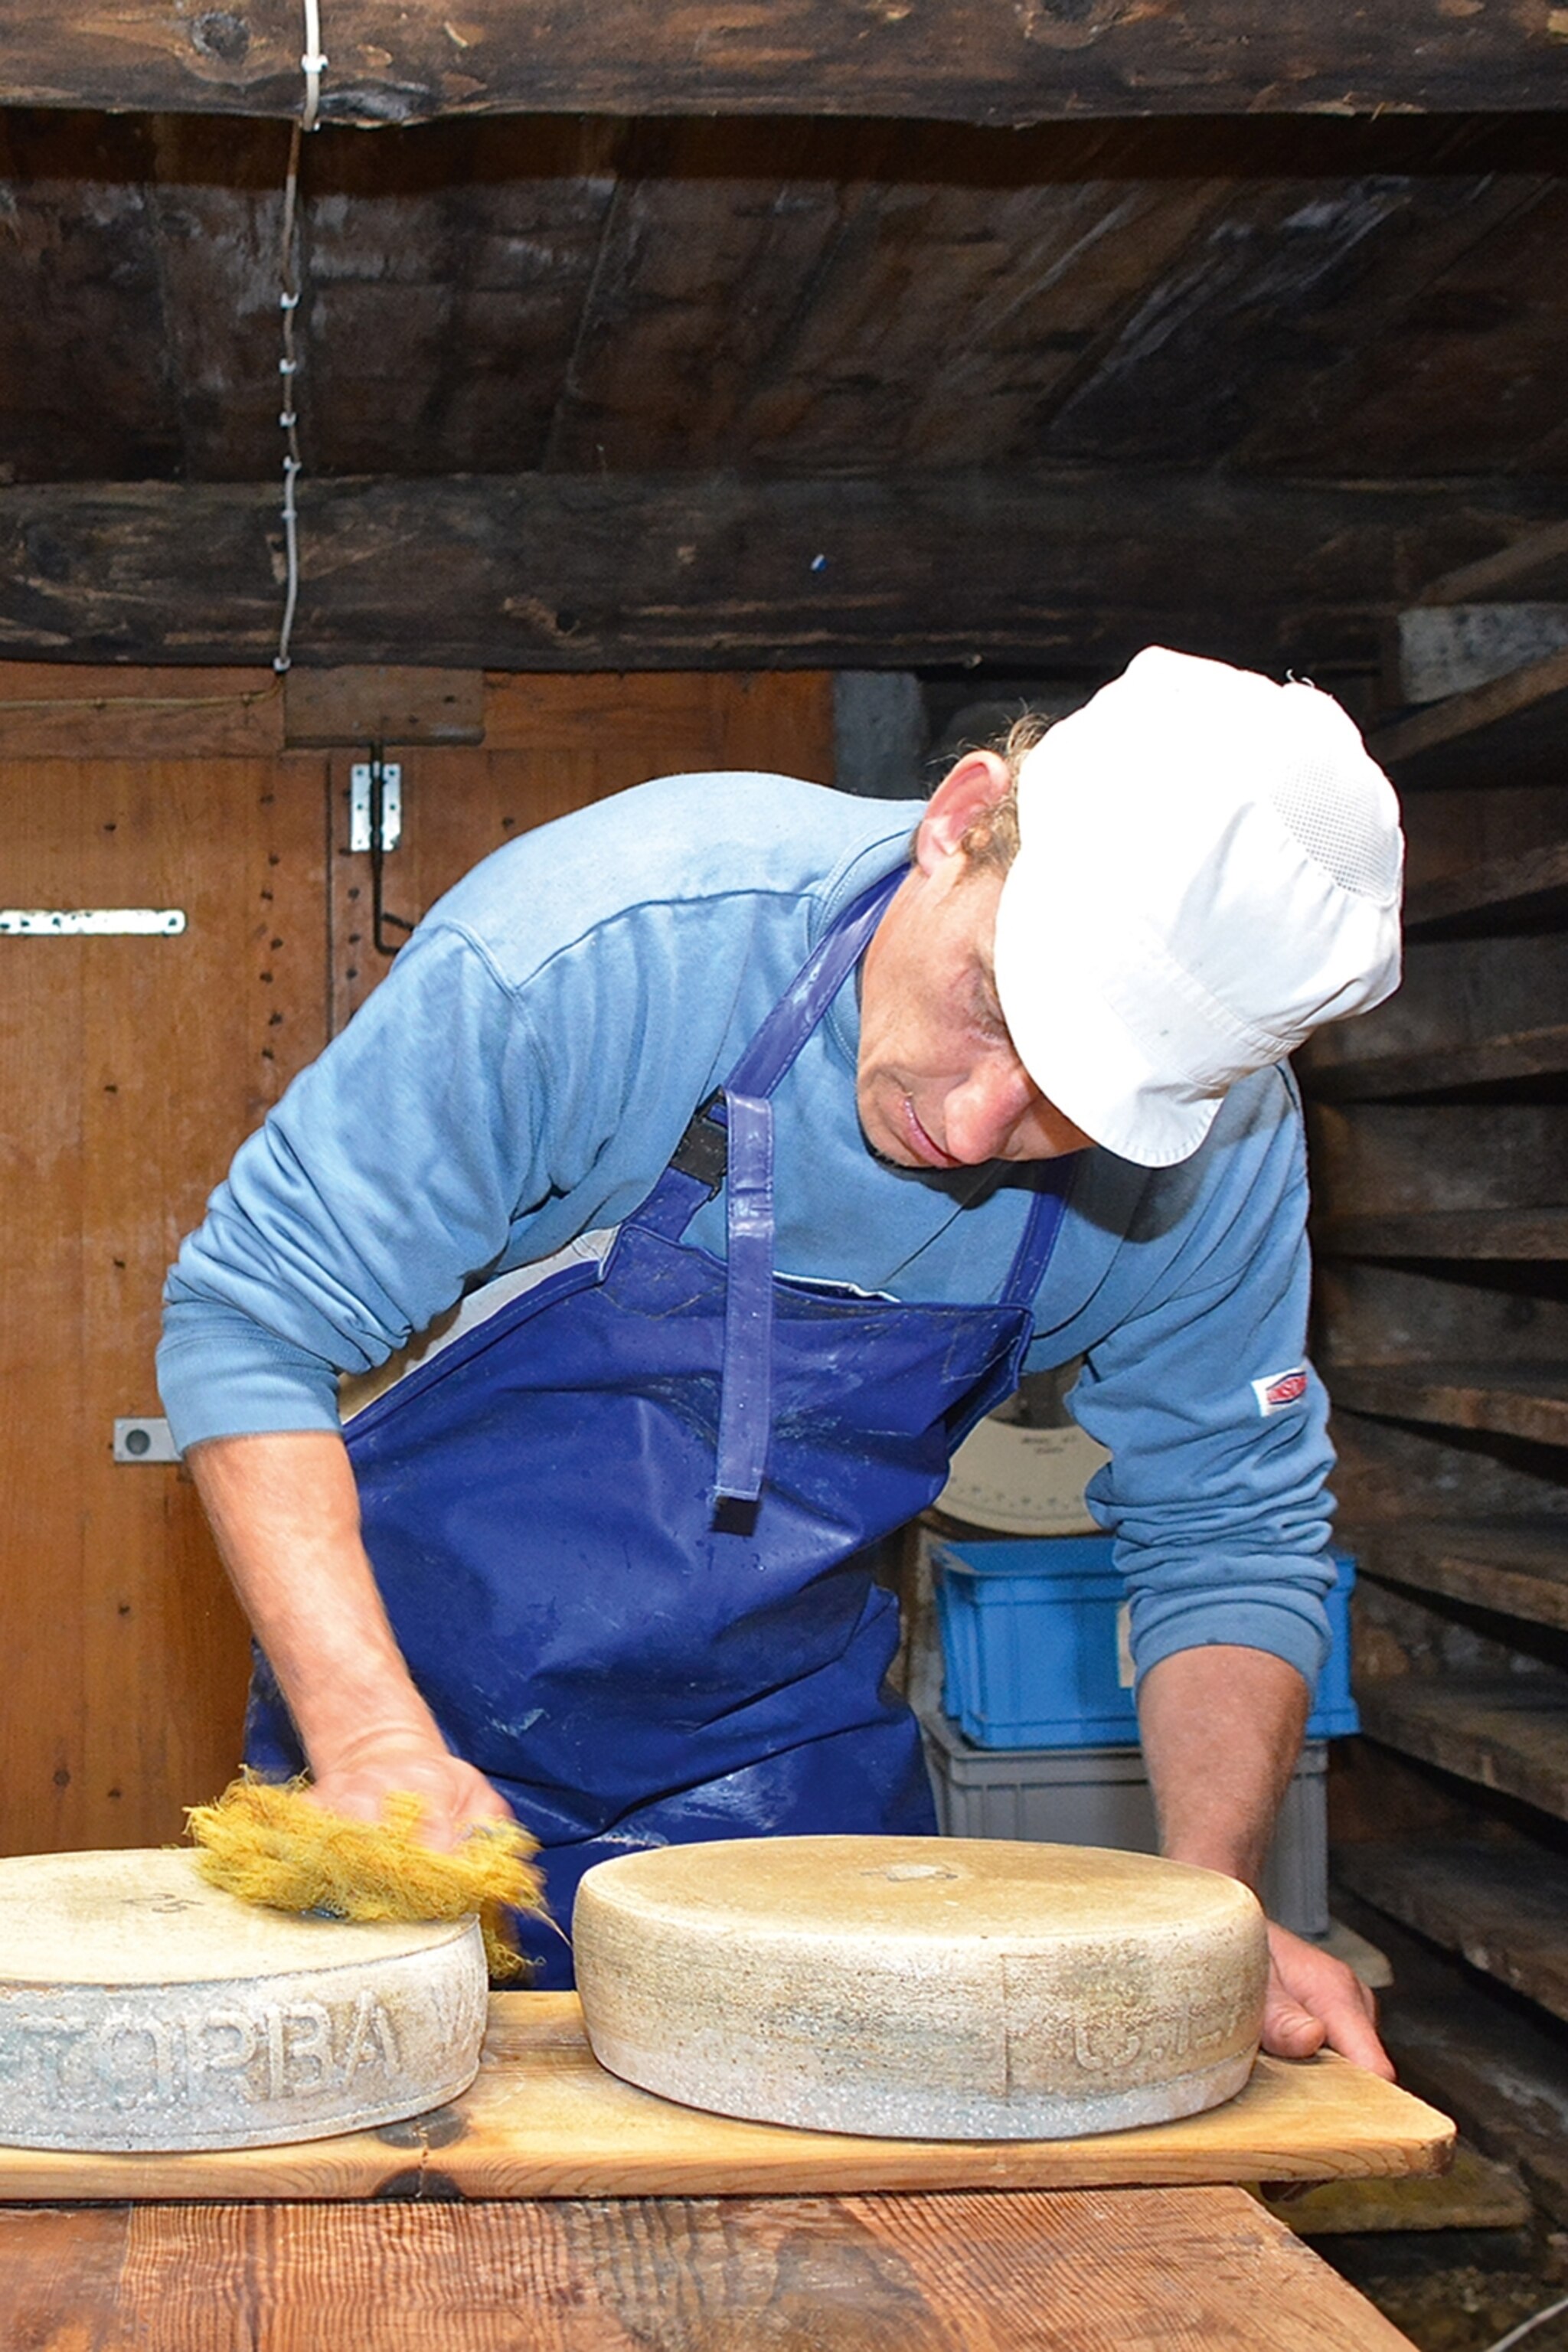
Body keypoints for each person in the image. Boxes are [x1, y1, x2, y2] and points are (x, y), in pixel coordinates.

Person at [159, 645, 1403, 2071]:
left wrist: (1210, 1922)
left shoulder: (1222, 1157)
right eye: (998, 1012)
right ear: (959, 820)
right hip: (403, 1740)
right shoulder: (616, 943)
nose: (983, 1121)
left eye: (1084, 1104)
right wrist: (369, 1735)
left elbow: (1227, 1528)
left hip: (790, 1769)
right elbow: (249, 1320)